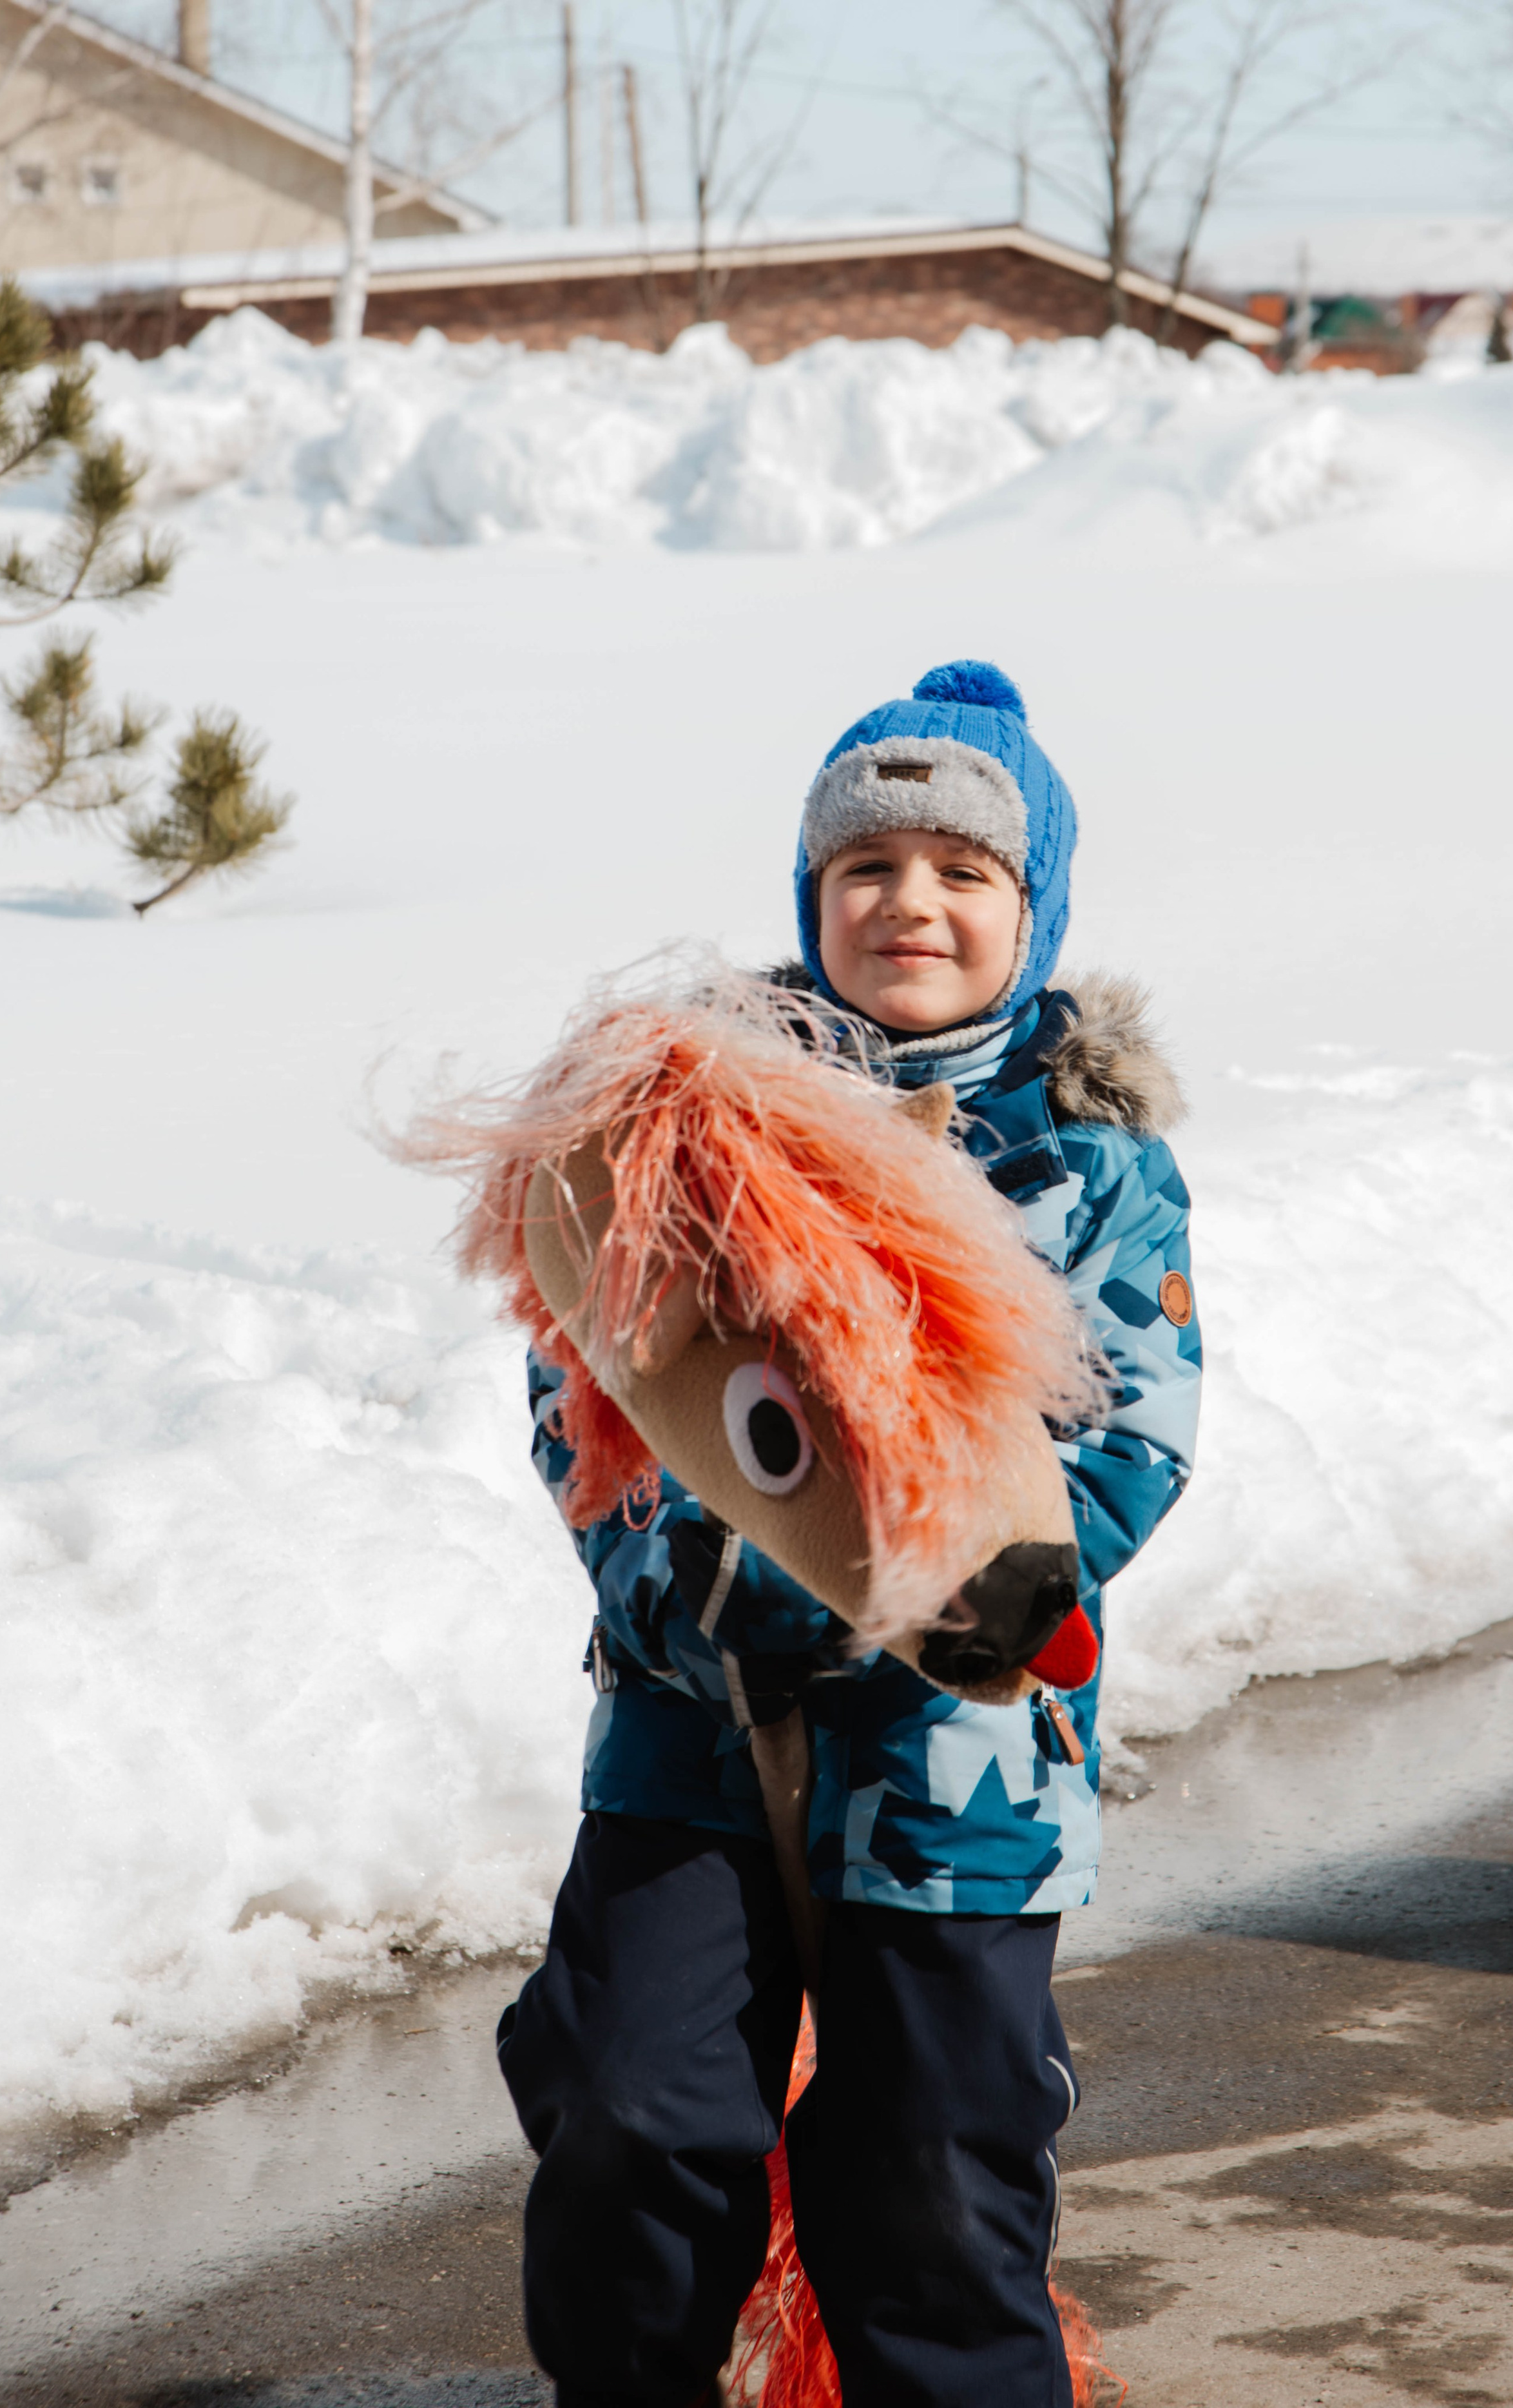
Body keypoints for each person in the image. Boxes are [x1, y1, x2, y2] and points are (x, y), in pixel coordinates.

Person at [498, 659, 1202, 2408]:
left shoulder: (1093, 1162)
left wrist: (899, 1593)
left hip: (963, 1762)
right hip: (690, 1735)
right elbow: (599, 1377)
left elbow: (1127, 1445)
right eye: (868, 867)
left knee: (934, 2188)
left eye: (965, 872)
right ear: (812, 898)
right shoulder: (696, 1118)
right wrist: (676, 1596)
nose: (913, 902)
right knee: (624, 2121)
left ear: (1030, 915)